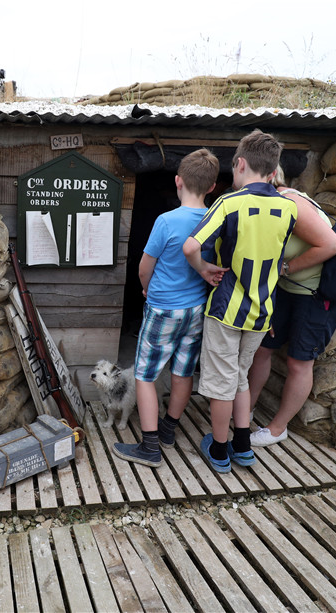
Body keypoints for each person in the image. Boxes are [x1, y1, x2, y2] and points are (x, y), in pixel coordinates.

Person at [182, 129, 297, 473]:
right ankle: (243, 446)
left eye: (233, 169)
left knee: (220, 385)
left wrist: (203, 268)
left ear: (241, 164)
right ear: (274, 171)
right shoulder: (289, 208)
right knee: (241, 378)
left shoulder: (229, 203)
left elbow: (190, 246)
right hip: (262, 313)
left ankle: (219, 449)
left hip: (226, 310)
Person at [111, 149, 225, 467]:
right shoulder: (214, 220)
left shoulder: (166, 221)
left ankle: (149, 447)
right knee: (183, 370)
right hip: (196, 308)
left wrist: (145, 287)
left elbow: (145, 266)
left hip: (163, 308)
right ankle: (169, 429)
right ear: (213, 186)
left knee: (146, 375)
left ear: (177, 181)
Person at [247, 166, 336, 446]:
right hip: (287, 291)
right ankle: (246, 410)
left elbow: (332, 245)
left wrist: (286, 267)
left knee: (299, 361)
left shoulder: (291, 202)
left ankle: (278, 428)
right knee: (263, 348)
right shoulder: (268, 206)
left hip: (316, 295)